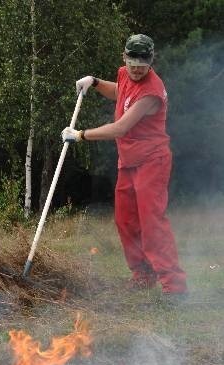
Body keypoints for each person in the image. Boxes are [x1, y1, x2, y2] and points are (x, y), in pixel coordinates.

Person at [62, 34, 188, 298]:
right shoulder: (124, 74)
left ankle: (174, 286)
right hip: (128, 162)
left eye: (143, 62)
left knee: (152, 223)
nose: (137, 67)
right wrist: (95, 83)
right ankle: (142, 275)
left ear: (151, 60)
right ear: (125, 57)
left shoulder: (152, 92)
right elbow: (121, 93)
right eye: (133, 61)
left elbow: (121, 128)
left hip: (152, 161)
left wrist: (81, 135)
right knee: (125, 221)